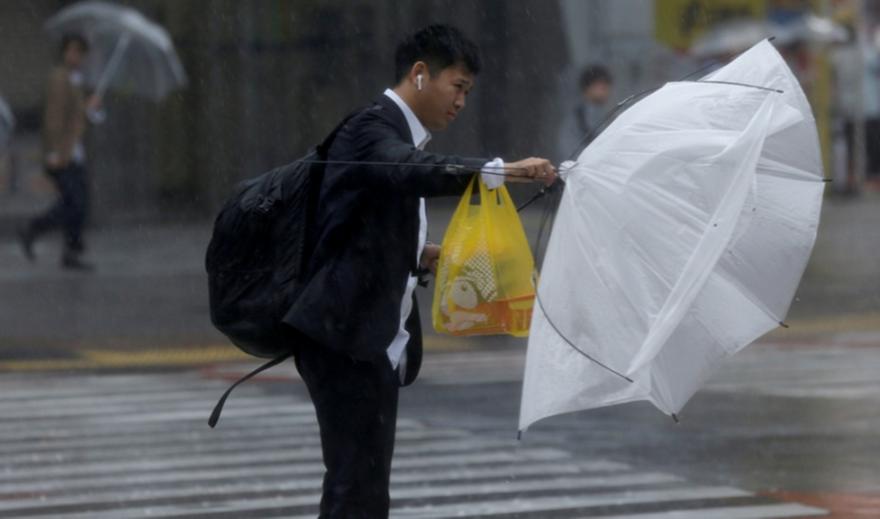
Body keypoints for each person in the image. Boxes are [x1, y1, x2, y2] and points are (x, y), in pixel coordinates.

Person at [283, 24, 556, 517]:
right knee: (356, 485)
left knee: (363, 484)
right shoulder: (371, 129)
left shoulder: (393, 133)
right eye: (458, 87)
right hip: (344, 337)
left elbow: (363, 220)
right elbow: (408, 170)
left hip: (362, 336)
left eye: (468, 92)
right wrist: (500, 171)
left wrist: (421, 252)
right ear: (420, 74)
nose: (461, 102)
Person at [18, 33, 100, 270]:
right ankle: (35, 230)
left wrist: (90, 109)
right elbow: (53, 117)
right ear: (65, 52)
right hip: (63, 154)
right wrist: (53, 153)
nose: (77, 56)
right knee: (74, 202)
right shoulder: (59, 78)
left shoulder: (77, 80)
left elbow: (77, 118)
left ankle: (69, 249)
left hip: (75, 153)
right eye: (73, 51)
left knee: (78, 203)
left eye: (80, 52)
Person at [557, 64, 613, 162]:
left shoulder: (610, 114)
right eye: (600, 85)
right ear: (587, 88)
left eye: (606, 85)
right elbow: (569, 153)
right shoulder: (576, 118)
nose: (605, 90)